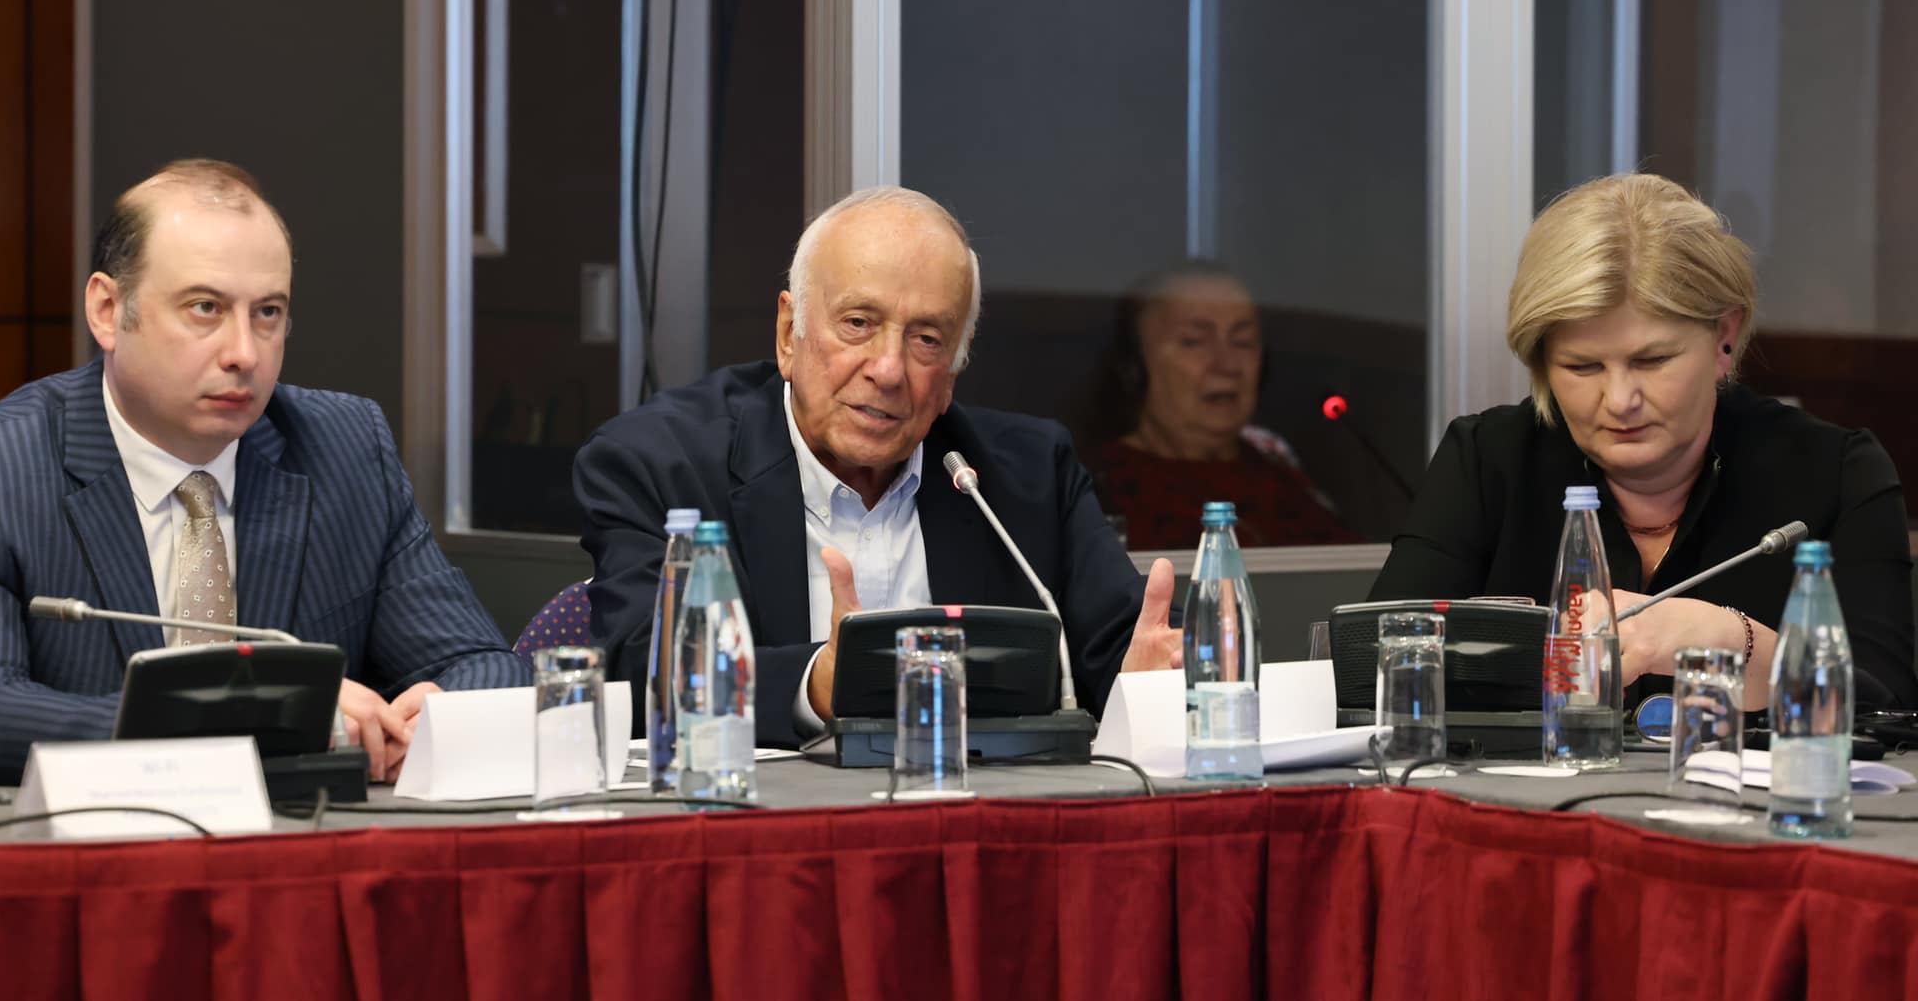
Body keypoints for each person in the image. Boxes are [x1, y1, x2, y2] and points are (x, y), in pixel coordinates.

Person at [0, 159, 529, 785]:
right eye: (205, 308)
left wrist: (437, 716)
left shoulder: (344, 450)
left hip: (309, 839)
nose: (244, 353)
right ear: (108, 311)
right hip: (94, 844)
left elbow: (484, 665)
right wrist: (260, 717)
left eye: (267, 313)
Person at [575, 186, 1183, 746]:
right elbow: (637, 674)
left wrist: (1150, 682)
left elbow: (1129, 649)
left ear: (952, 372)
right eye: (858, 324)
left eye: (927, 339)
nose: (888, 369)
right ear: (789, 334)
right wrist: (816, 683)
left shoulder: (1026, 477)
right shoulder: (661, 466)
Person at [1371, 172, 1918, 709]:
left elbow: (1891, 710)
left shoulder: (1838, 472)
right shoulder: (1487, 459)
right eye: (1582, 367)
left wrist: (1739, 642)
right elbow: (1373, 667)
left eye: (1652, 360)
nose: (1619, 400)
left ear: (1724, 338)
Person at [1084, 262, 1358, 549]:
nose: (1227, 366)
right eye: (1194, 342)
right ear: (1133, 367)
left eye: (1243, 342)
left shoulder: (1281, 470)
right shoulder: (1095, 491)